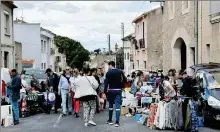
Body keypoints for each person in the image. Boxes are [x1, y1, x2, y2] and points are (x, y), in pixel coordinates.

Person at [104, 61, 126, 127]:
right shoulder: (120, 71)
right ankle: (117, 122)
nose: (108, 67)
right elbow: (124, 80)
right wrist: (121, 86)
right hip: (118, 90)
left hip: (111, 90)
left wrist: (105, 92)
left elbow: (106, 83)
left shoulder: (108, 73)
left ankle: (110, 120)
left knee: (110, 106)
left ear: (110, 65)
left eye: (109, 66)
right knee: (118, 106)